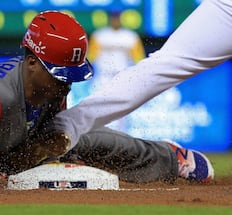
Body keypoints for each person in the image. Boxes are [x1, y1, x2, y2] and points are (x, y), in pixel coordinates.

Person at [0, 11, 213, 194]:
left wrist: (44, 151)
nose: (66, 82)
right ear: (31, 61)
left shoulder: (49, 89)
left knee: (81, 140)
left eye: (71, 74)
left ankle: (171, 159)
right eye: (59, 73)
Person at [46, 0, 232, 156]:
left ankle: (68, 129)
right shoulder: (101, 35)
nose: (116, 19)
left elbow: (137, 58)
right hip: (104, 77)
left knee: (162, 66)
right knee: (164, 63)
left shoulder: (129, 36)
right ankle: (60, 129)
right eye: (114, 16)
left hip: (120, 73)